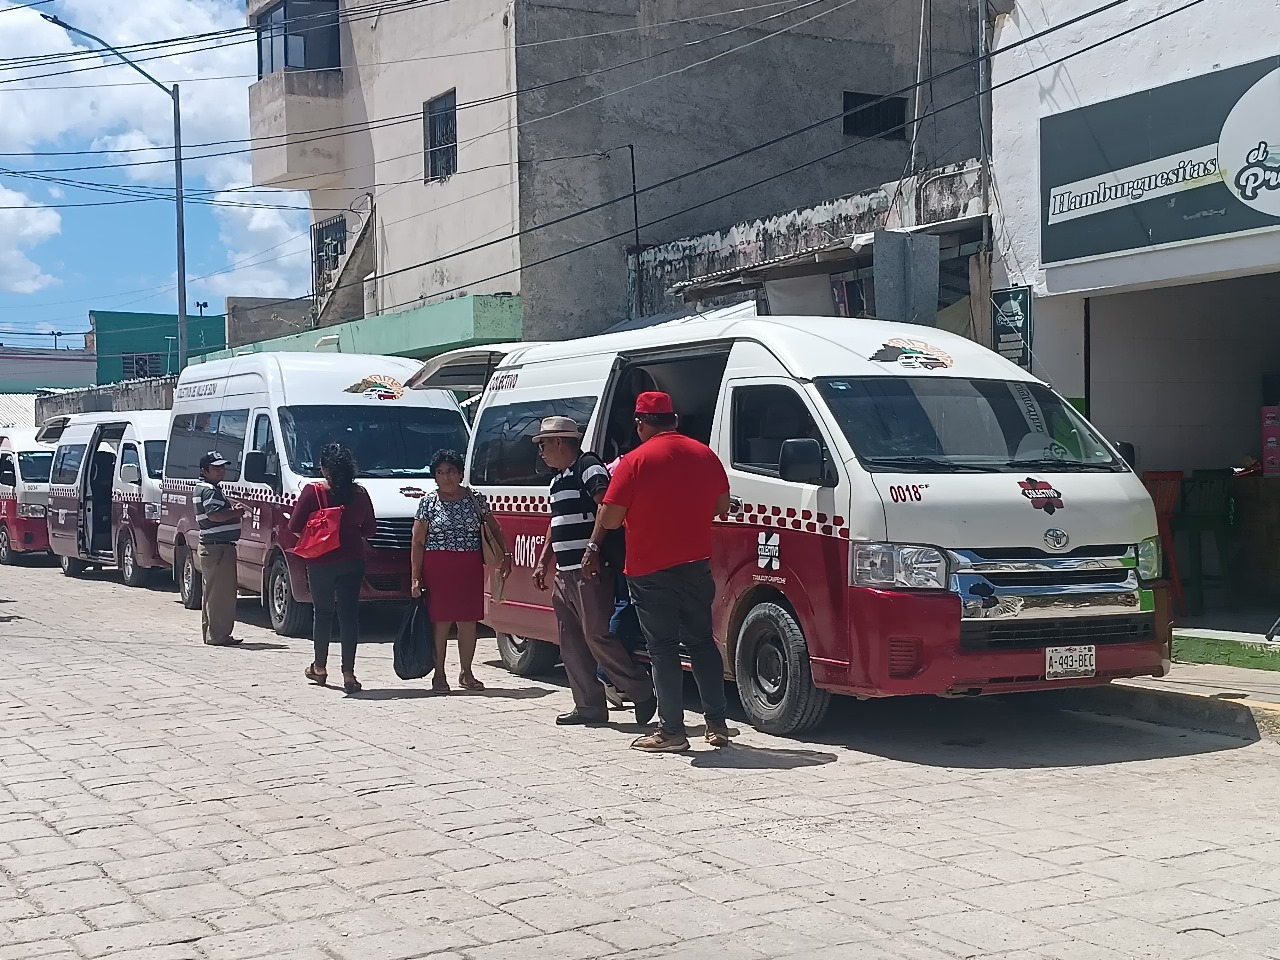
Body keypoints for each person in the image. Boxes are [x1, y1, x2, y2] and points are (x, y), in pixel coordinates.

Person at [583, 392, 732, 753]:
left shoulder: (635, 461)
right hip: (696, 564)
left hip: (650, 569)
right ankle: (717, 724)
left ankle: (672, 731)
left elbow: (613, 517)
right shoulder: (704, 454)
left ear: (640, 423)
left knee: (662, 648)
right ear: (674, 419)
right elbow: (722, 507)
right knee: (701, 642)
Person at [530, 417, 656, 727]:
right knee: (570, 640)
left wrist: (594, 549)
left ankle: (640, 690)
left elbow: (606, 505)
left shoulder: (588, 467)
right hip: (564, 571)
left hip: (588, 570)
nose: (542, 452)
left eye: (544, 444)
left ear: (561, 442)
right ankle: (588, 706)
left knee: (596, 635)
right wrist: (543, 561)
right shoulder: (557, 479)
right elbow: (555, 522)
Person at [411, 449, 512, 693]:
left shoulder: (475, 499)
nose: (446, 477)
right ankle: (440, 674)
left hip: (469, 566)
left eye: (451, 472)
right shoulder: (428, 502)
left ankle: (466, 673)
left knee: (468, 621)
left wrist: (506, 555)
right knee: (441, 622)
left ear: (461, 474)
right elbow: (417, 541)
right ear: (434, 477)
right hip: (438, 569)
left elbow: (494, 528)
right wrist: (415, 577)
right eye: (440, 472)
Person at [290, 443, 376, 695]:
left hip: (321, 561)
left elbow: (295, 525)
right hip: (353, 560)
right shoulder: (360, 493)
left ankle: (319, 667)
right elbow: (370, 529)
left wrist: (318, 535)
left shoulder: (312, 492)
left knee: (323, 613)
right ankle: (348, 674)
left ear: (325, 468)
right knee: (349, 616)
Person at [598, 453, 645, 709]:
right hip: (625, 550)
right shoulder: (626, 466)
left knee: (624, 605)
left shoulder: (622, 464)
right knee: (626, 607)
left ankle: (610, 675)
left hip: (622, 549)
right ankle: (606, 674)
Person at [194, 451, 246, 647]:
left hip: (214, 548)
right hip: (218, 549)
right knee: (221, 595)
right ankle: (219, 636)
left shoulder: (208, 488)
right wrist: (236, 513)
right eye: (216, 468)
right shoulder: (209, 490)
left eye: (222, 467)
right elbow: (214, 515)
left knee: (213, 593)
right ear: (204, 470)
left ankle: (213, 634)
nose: (221, 470)